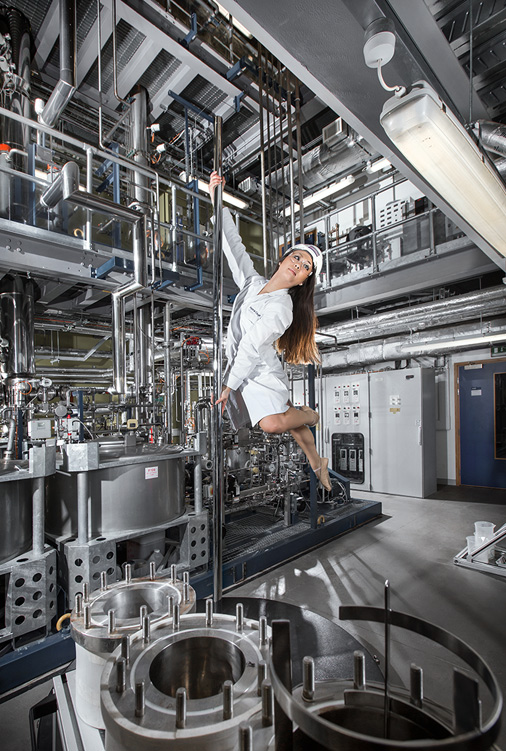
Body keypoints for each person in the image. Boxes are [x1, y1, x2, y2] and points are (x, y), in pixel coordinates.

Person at [209, 171, 332, 492]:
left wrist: (228, 384)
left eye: (305, 266)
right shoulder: (252, 284)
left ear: (304, 279)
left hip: (259, 373)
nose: (298, 265)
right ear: (284, 259)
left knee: (275, 422)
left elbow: (250, 344)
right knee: (291, 427)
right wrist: (216, 199)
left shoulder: (282, 309)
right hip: (242, 367)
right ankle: (318, 462)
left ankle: (311, 415)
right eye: (297, 257)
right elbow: (233, 247)